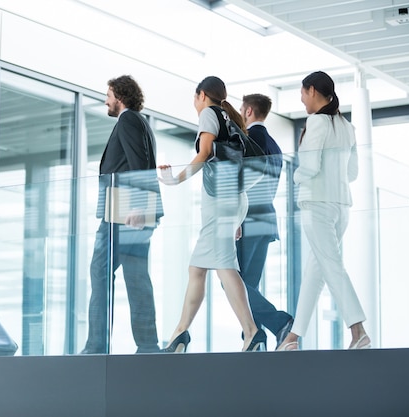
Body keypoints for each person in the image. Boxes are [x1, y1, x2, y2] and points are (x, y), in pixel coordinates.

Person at [159, 76, 266, 353]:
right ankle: (181, 333)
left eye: (195, 98)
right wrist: (237, 217)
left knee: (224, 266)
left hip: (219, 202)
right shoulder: (229, 118)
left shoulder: (209, 113)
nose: (195, 104)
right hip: (233, 200)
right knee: (199, 268)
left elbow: (205, 152)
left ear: (202, 95)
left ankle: (251, 331)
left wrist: (175, 179)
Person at [277, 71, 370, 351]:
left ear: (313, 90)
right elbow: (352, 172)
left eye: (303, 94)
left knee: (331, 267)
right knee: (316, 272)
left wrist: (294, 177)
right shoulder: (346, 126)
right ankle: (293, 337)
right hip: (341, 206)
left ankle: (358, 330)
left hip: (316, 204)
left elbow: (310, 168)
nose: (302, 100)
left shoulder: (316, 122)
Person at [81, 75, 164, 354]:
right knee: (136, 276)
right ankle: (148, 345)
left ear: (120, 96)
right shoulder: (141, 123)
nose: (105, 100)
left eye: (108, 94)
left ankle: (97, 345)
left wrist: (138, 207)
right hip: (130, 210)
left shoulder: (128, 120)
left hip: (124, 211)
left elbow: (139, 163)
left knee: (100, 271)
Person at [236, 94, 294, 350]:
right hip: (266, 221)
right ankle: (254, 339)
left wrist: (235, 218)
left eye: (240, 109)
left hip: (247, 221)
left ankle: (279, 322)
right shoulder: (275, 145)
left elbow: (244, 183)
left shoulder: (250, 140)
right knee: (249, 285)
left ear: (248, 111)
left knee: (233, 284)